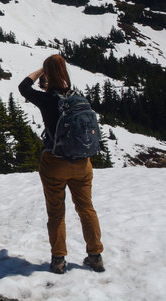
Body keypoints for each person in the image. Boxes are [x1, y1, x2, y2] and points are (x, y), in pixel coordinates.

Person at [18, 54, 104, 274]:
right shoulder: (78, 98)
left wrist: (41, 70)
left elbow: (23, 87)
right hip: (82, 163)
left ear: (48, 76)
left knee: (56, 213)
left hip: (54, 163)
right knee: (86, 209)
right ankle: (95, 256)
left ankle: (59, 260)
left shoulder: (47, 100)